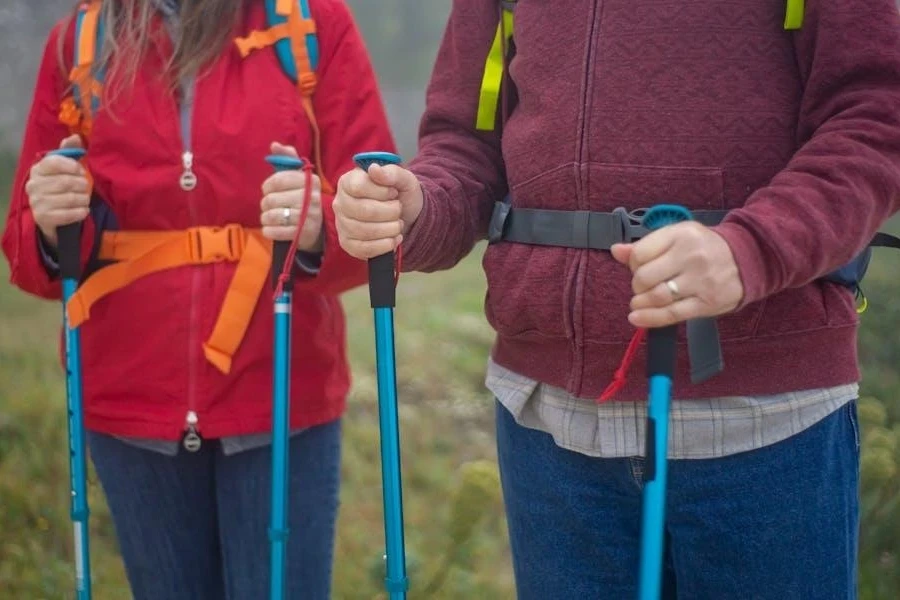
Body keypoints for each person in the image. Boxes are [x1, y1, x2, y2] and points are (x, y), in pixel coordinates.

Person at [333, 0, 900, 597]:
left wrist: (749, 251)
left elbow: (875, 119)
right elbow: (466, 144)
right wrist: (417, 208)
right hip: (547, 426)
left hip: (765, 424)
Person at [1, 0, 395, 598]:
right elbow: (31, 252)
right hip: (129, 400)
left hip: (282, 390)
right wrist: (53, 223)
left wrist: (322, 224)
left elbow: (374, 214)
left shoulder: (310, 25)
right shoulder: (79, 42)